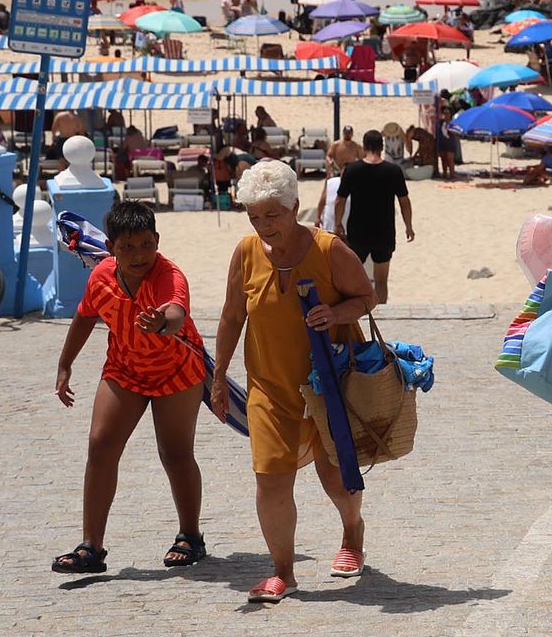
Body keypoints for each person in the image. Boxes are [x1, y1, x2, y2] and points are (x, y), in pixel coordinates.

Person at [211, 161, 377, 603]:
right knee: (270, 479)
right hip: (269, 387)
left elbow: (367, 296)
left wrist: (337, 313)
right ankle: (283, 571)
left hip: (329, 385)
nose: (264, 226)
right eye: (254, 216)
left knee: (336, 479)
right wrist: (219, 376)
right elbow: (231, 317)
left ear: (295, 208)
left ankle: (352, 529)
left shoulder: (328, 249)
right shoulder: (245, 252)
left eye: (272, 215)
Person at [51, 202, 207, 575]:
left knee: (175, 453)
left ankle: (190, 536)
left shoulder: (170, 276)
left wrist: (162, 322)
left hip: (177, 373)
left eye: (146, 244)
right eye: (128, 247)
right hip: (124, 370)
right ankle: (91, 547)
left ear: (157, 240)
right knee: (100, 445)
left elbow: (175, 313)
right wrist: (64, 364)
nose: (139, 255)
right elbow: (86, 315)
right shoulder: (102, 275)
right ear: (110, 246)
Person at [335, 130, 414, 304]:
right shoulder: (393, 171)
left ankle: (354, 311)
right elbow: (404, 201)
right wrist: (408, 226)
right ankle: (381, 314)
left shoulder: (352, 170)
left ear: (364, 147)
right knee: (381, 280)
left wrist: (338, 223)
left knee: (353, 276)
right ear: (381, 147)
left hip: (357, 232)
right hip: (384, 232)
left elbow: (339, 200)